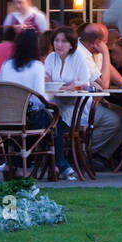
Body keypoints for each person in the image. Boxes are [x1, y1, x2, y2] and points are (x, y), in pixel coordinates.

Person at [0, 29, 54, 176]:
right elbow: (40, 99)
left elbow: (0, 90)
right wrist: (51, 97)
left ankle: (12, 164)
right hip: (26, 119)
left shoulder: (6, 65)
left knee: (22, 129)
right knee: (51, 121)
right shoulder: (37, 66)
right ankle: (29, 166)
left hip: (2, 118)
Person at [76, 25, 122, 167]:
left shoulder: (95, 51)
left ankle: (100, 157)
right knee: (112, 120)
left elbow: (109, 69)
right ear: (97, 42)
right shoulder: (80, 54)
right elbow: (103, 85)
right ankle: (80, 153)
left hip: (96, 101)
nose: (108, 45)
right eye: (106, 42)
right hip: (80, 104)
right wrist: (106, 53)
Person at [43, 24, 90, 180]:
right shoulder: (51, 58)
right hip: (55, 104)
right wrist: (67, 85)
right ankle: (61, 165)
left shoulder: (78, 58)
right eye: (56, 40)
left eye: (63, 41)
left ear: (71, 44)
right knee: (49, 123)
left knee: (53, 125)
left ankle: (56, 165)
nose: (59, 44)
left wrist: (69, 85)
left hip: (74, 107)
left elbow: (84, 83)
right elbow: (46, 79)